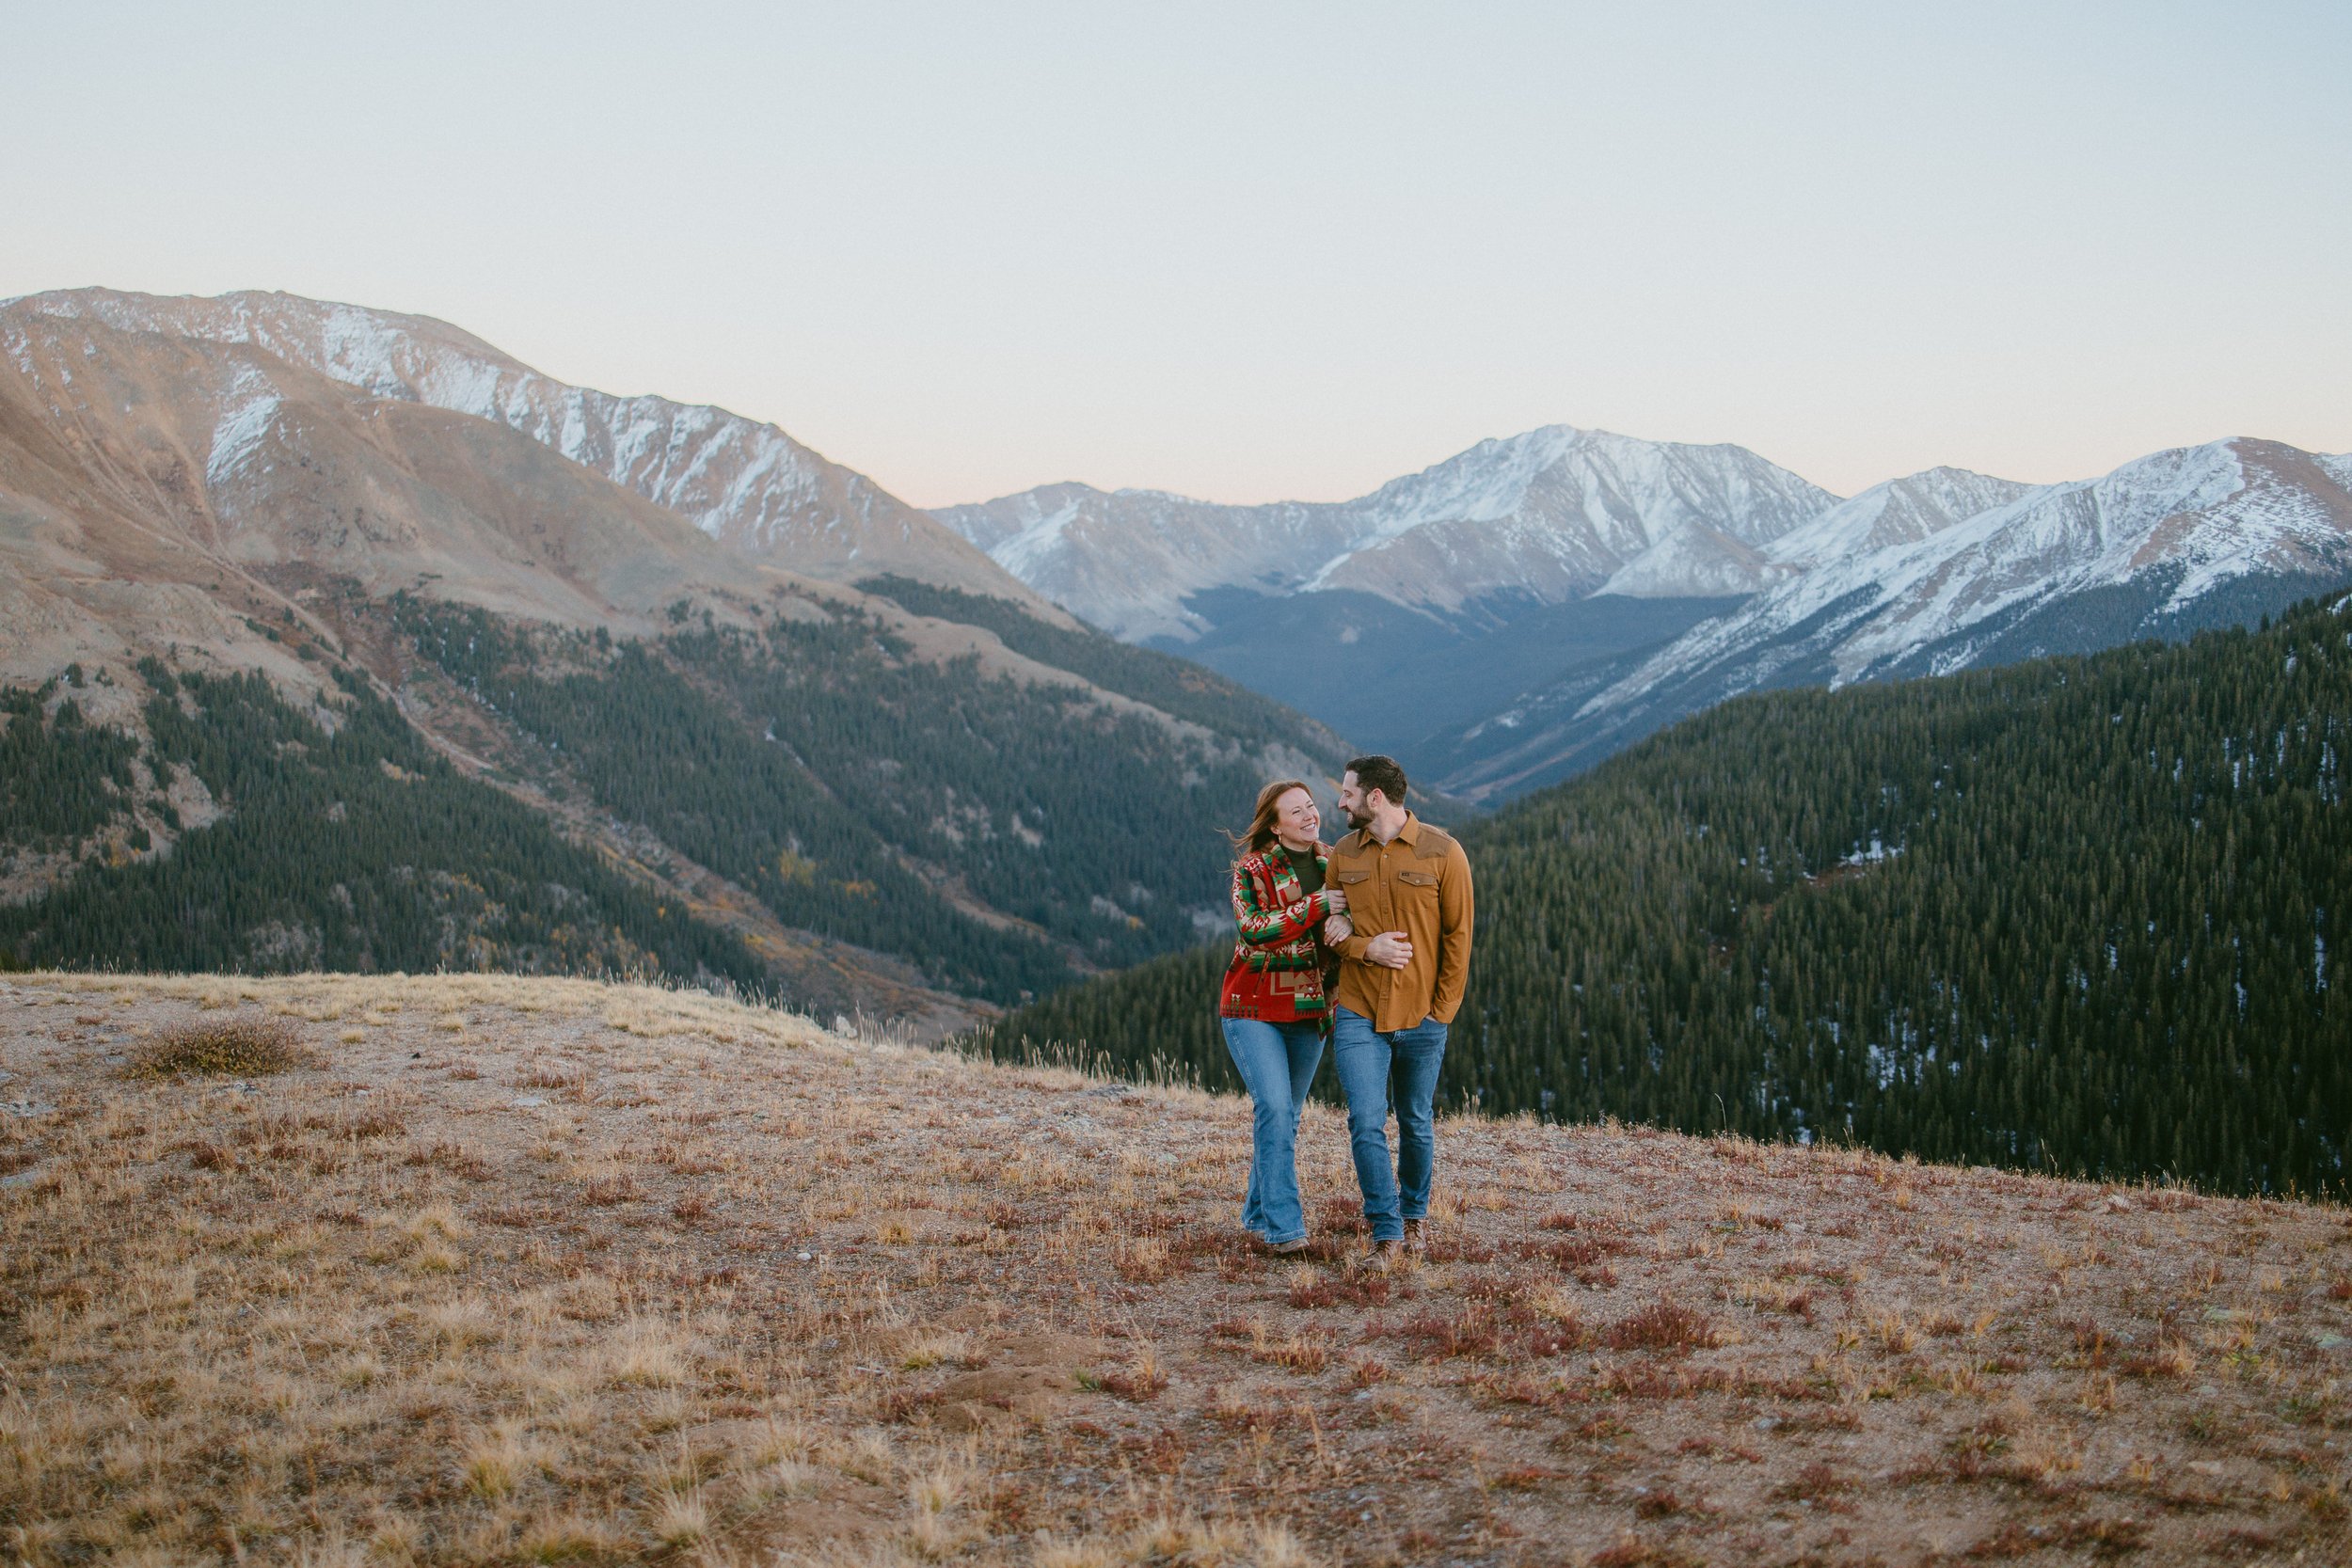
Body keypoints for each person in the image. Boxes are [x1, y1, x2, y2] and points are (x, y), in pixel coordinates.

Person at [1322, 754, 1473, 1260]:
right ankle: (1385, 1232)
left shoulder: (1444, 852)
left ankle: (1414, 1220)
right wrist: (1364, 947)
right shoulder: (1344, 854)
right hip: (1359, 1010)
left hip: (1422, 1016)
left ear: (1375, 798)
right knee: (1365, 1120)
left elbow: (1459, 936)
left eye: (1348, 793)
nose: (1340, 802)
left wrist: (1442, 1011)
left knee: (1414, 1119)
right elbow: (1333, 931)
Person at [1217, 779, 1348, 1254]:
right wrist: (1317, 905)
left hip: (1311, 1008)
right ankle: (1286, 1230)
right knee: (1273, 1107)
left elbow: (1357, 914)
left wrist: (1345, 922)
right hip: (1253, 1006)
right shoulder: (1251, 870)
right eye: (1296, 811)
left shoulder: (1334, 860)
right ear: (1275, 826)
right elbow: (1254, 930)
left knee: (1285, 1117)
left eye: (1311, 806)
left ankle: (1255, 1215)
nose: (1309, 815)